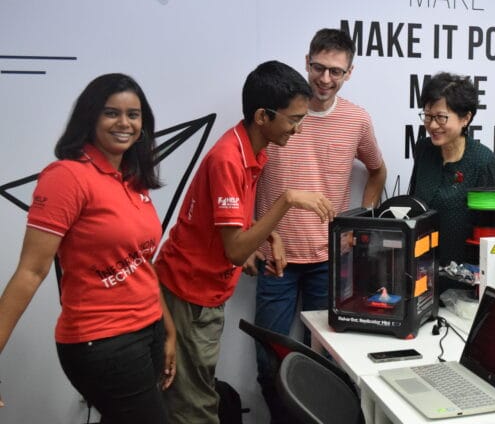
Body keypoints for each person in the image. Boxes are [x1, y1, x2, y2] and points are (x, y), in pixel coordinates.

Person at [153, 60, 335, 424]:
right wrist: (286, 201)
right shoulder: (228, 159)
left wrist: (270, 234)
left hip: (205, 294)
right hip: (188, 295)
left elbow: (230, 224)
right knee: (196, 408)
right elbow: (235, 250)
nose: (297, 130)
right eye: (294, 119)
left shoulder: (252, 150)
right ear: (263, 116)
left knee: (200, 394)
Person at [0, 73, 175, 422]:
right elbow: (31, 271)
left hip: (148, 331)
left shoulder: (132, 176)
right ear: (90, 117)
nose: (124, 123)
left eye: (133, 114)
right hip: (103, 342)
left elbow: (140, 264)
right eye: (112, 113)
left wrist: (168, 330)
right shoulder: (67, 176)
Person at [251, 29, 385, 423]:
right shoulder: (276, 112)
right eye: (319, 68)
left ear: (350, 72)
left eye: (336, 71)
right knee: (268, 358)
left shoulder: (357, 119)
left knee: (325, 366)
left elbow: (376, 170)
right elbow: (246, 175)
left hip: (331, 260)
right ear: (306, 61)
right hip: (274, 258)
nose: (325, 79)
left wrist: (361, 222)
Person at [408, 72, 495, 291]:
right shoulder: (424, 150)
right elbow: (415, 206)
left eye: (441, 117)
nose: (432, 125)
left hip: (466, 282)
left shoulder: (482, 161)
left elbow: (492, 235)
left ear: (465, 118)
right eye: (428, 116)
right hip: (422, 274)